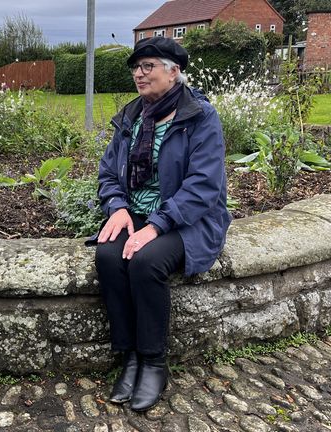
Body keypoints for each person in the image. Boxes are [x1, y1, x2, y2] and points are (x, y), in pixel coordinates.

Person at [91, 36, 231, 412]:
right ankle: (130, 355)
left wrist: (156, 225)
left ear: (174, 71)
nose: (139, 73)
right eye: (136, 67)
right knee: (107, 257)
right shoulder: (132, 115)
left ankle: (154, 360)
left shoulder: (199, 116)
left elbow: (204, 186)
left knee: (146, 261)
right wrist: (117, 207)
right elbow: (108, 171)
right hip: (136, 209)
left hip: (188, 218)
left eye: (148, 66)